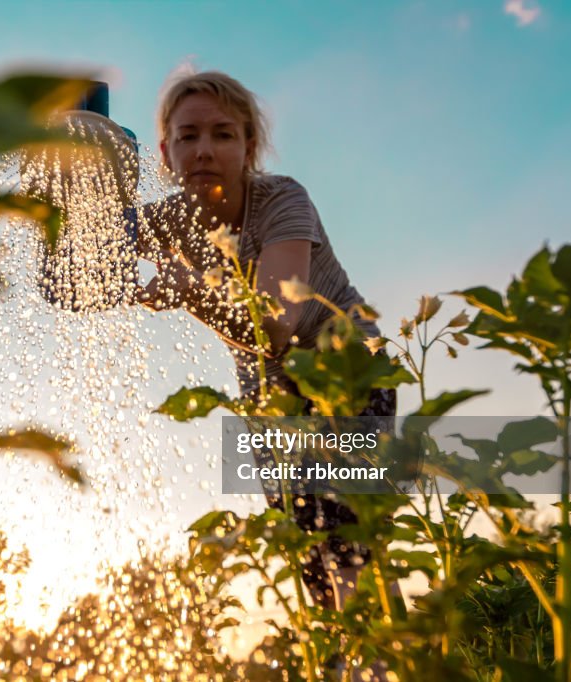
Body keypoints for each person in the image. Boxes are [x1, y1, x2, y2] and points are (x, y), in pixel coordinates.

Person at [135, 70, 396, 611]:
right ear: (165, 151)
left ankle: (378, 663)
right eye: (188, 136)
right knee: (308, 547)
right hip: (272, 401)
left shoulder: (282, 200)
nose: (204, 150)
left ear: (249, 145)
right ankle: (379, 657)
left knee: (346, 532)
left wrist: (190, 292)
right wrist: (73, 179)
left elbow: (276, 325)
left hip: (347, 370)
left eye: (223, 134)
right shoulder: (168, 222)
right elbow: (82, 264)